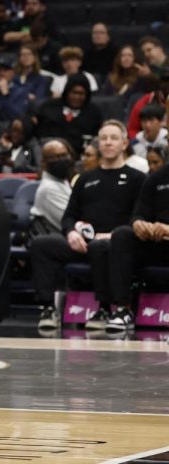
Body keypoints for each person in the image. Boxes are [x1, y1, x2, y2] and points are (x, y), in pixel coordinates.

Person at [29, 121, 144, 332]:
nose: (108, 142)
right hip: (83, 242)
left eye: (114, 138)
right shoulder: (85, 179)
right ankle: (47, 308)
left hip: (116, 244)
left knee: (101, 247)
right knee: (41, 244)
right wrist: (71, 232)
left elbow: (139, 216)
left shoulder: (137, 179)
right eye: (103, 138)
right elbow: (69, 216)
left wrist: (112, 235)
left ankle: (105, 308)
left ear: (124, 143)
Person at [102, 161, 169, 332]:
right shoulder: (158, 176)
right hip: (157, 242)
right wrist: (139, 223)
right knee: (122, 235)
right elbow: (139, 212)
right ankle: (123, 309)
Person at [31, 73, 101, 154]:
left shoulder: (94, 113)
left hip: (79, 157)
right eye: (74, 93)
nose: (77, 97)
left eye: (81, 94)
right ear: (67, 92)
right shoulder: (49, 107)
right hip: (47, 153)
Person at [29, 139, 76, 237]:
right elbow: (72, 223)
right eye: (55, 157)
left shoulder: (64, 181)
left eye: (64, 155)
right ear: (44, 163)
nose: (62, 160)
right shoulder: (48, 189)